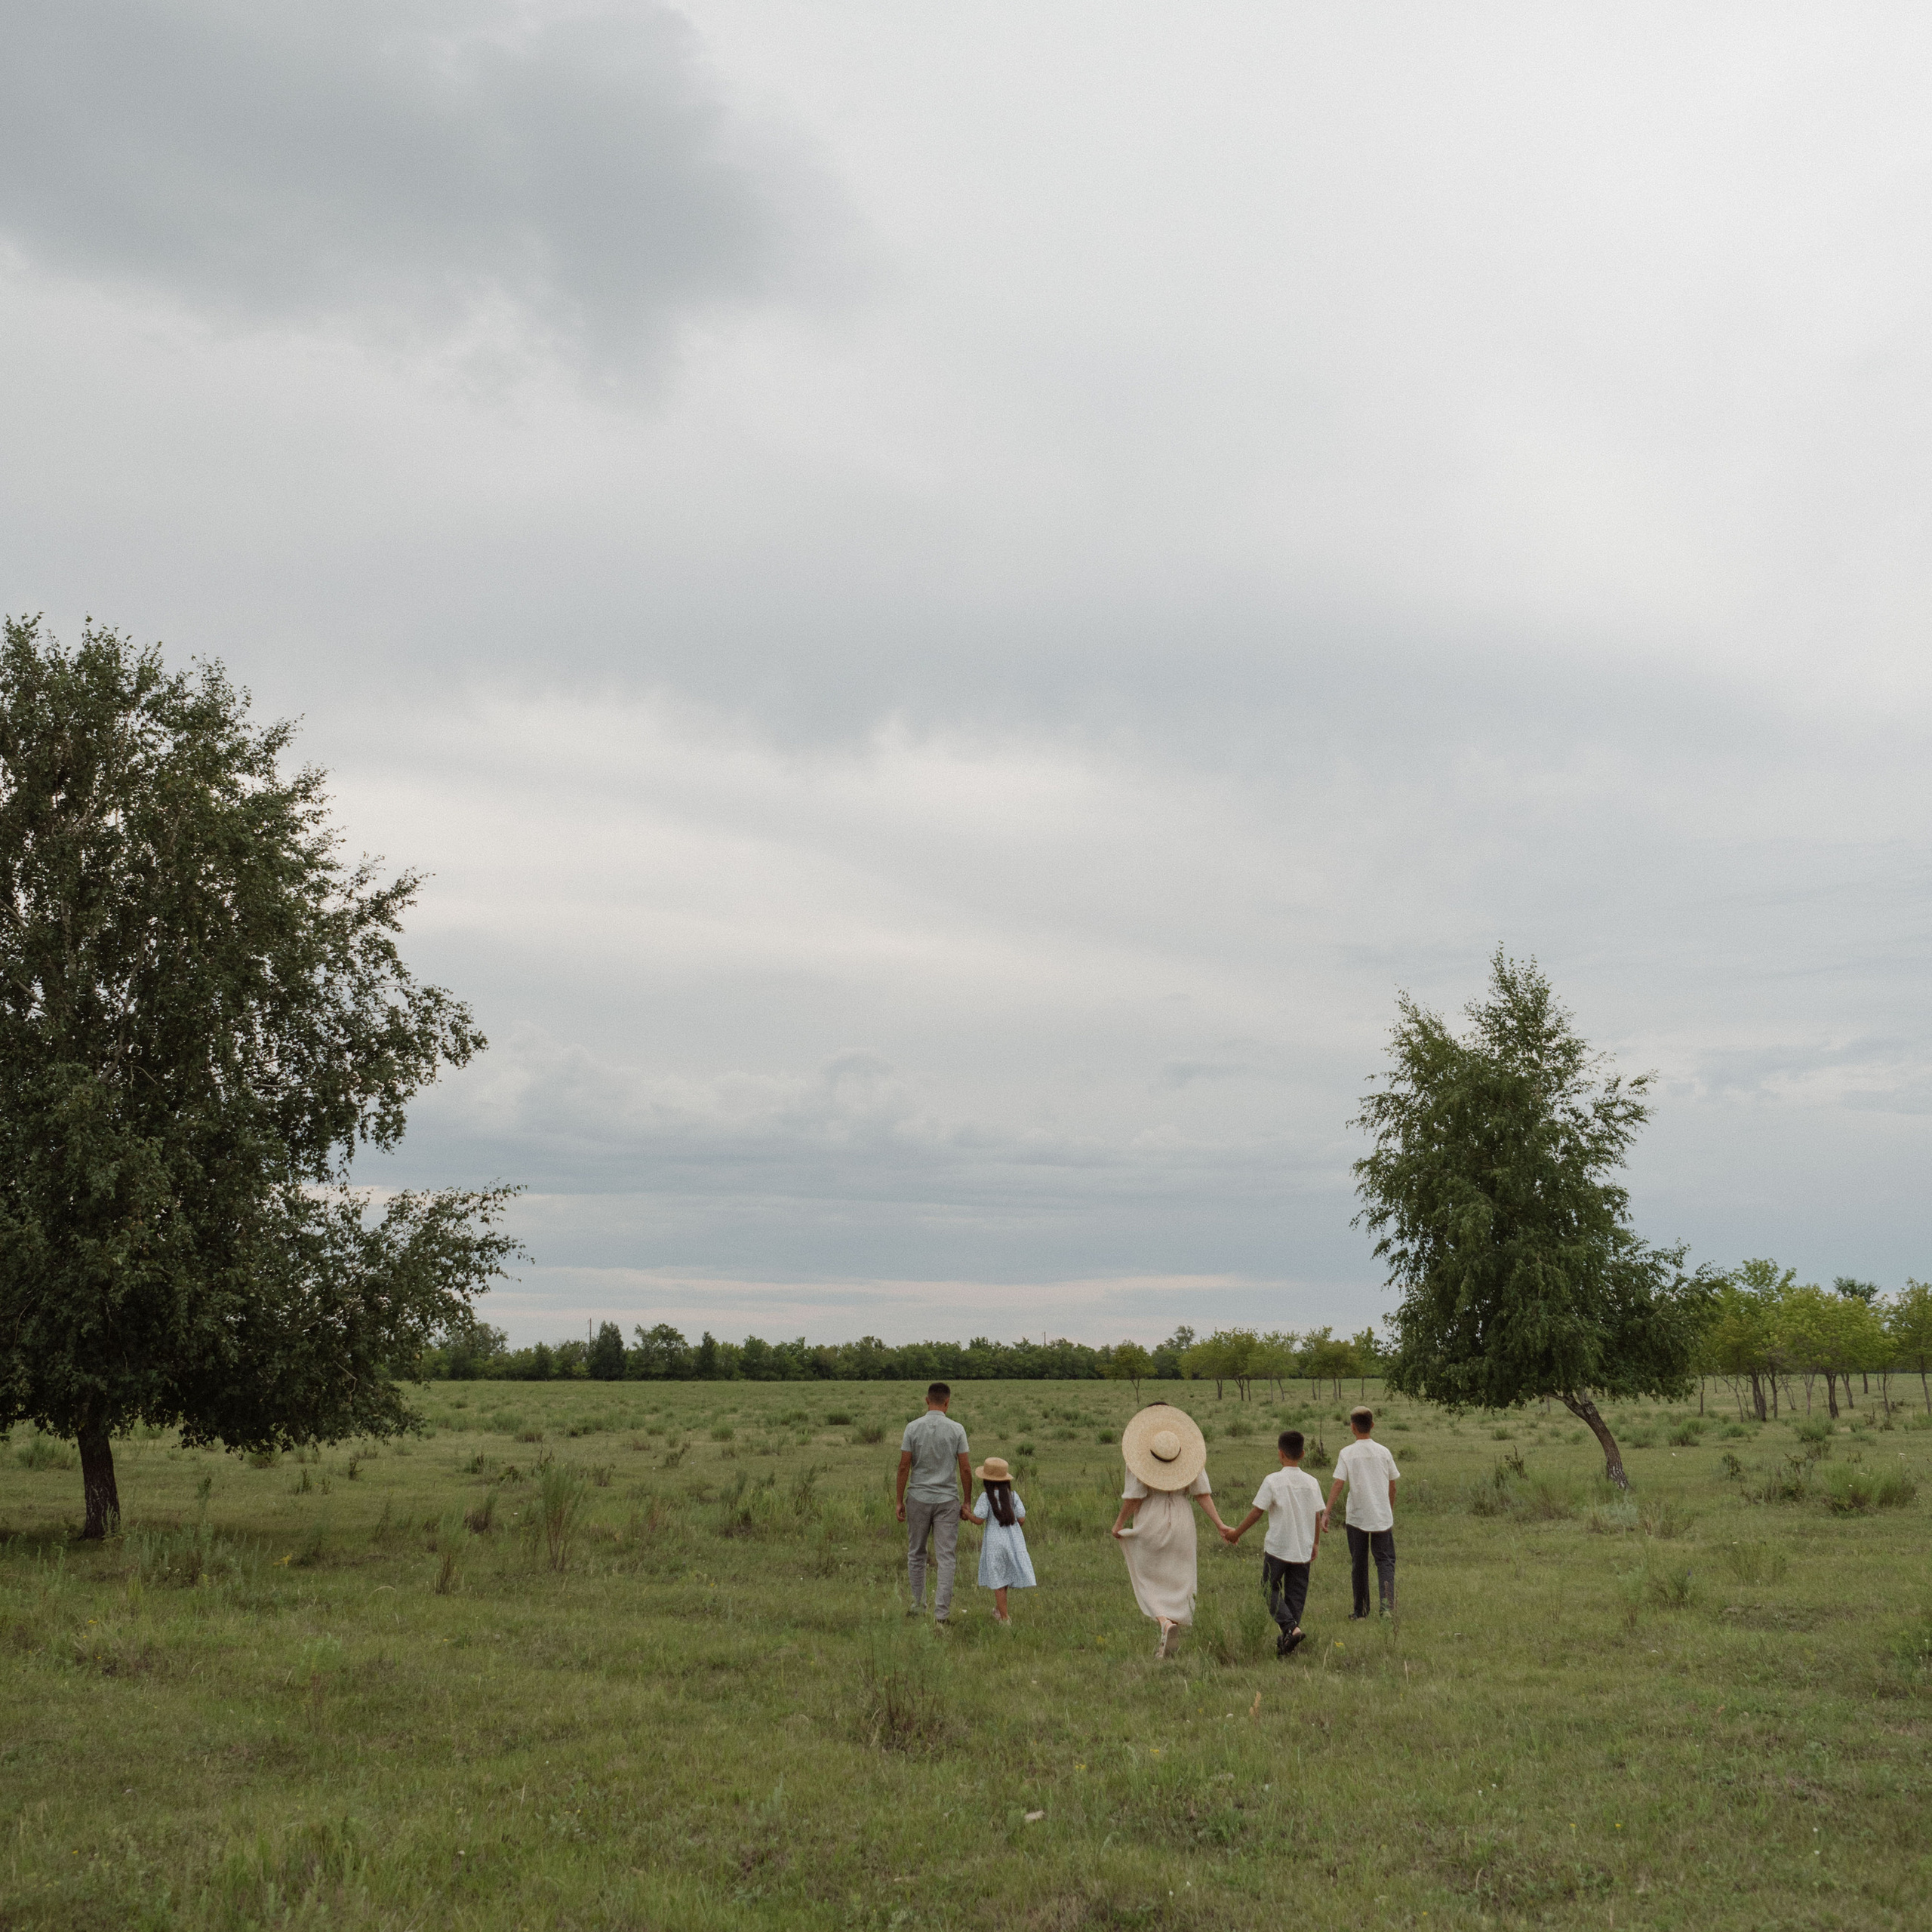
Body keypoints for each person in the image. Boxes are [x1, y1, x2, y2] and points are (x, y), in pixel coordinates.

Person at [1110, 1401, 1234, 1657]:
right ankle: (1173, 1625)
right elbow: (1202, 1493)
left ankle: (1165, 1622)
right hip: (1182, 1515)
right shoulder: (1187, 1454)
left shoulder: (1139, 1456)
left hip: (1151, 1515)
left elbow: (1134, 1497)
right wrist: (1220, 1524)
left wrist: (1120, 1523)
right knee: (1180, 1576)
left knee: (1147, 1578)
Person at [1222, 1429, 1326, 1656]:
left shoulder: (1273, 1480)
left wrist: (1236, 1533)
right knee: (1296, 1595)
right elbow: (1317, 1515)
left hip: (1278, 1548)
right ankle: (1290, 1638)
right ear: (1304, 1454)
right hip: (1302, 1547)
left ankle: (1290, 1629)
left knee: (1268, 1588)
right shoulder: (1312, 1482)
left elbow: (1257, 1512)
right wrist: (1315, 1543)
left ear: (1280, 1454)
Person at [896, 1381, 973, 1624]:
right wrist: (967, 1502)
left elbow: (904, 1465)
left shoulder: (912, 1427)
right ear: (947, 1403)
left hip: (918, 1497)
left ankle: (918, 1605)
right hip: (947, 1500)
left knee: (916, 1553)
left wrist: (899, 1500)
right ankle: (942, 1614)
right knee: (946, 1557)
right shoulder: (957, 1429)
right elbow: (966, 1469)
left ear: (927, 1400)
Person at [1327, 1404, 1400, 1620]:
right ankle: (1386, 1608)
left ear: (1352, 1428)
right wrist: (1389, 1510)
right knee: (1385, 1561)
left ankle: (1360, 1611)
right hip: (1381, 1517)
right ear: (1373, 1425)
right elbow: (1392, 1486)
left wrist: (1326, 1512)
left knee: (1359, 1563)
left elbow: (1339, 1483)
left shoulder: (1347, 1453)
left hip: (1357, 1517)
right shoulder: (1384, 1452)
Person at [961, 1455, 1036, 1624]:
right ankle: (999, 1609)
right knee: (1005, 1575)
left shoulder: (986, 1497)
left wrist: (967, 1514)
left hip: (994, 1542)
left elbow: (979, 1520)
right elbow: (1022, 1519)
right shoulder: (1013, 1496)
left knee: (998, 1578)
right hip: (1013, 1541)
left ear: (986, 1480)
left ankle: (1004, 1618)